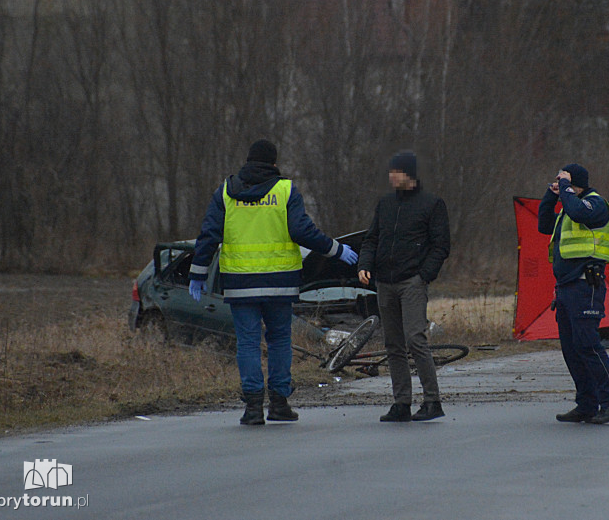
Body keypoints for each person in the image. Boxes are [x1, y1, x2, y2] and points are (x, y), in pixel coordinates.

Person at [189, 139, 358, 426]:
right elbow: (302, 230)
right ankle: (279, 404)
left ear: (247, 161)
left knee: (248, 344)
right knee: (279, 341)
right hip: (280, 282)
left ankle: (253, 408)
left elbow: (209, 234)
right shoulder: (285, 190)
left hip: (240, 283)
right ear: (274, 163)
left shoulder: (226, 192)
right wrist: (335, 249)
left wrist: (197, 273)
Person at [358, 151, 451, 422]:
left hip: (412, 282)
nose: (390, 176)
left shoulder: (432, 204)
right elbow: (371, 238)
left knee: (415, 339)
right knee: (393, 345)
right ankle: (401, 403)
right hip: (384, 282)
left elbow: (441, 245)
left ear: (408, 174)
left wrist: (424, 275)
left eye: (395, 171)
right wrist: (364, 263)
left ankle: (432, 401)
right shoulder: (385, 204)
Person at [537, 163, 609, 425]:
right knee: (571, 348)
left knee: (588, 344)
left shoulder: (596, 204)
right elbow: (543, 224)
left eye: (565, 181)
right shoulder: (566, 208)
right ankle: (586, 404)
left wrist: (565, 188)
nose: (562, 184)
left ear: (578, 183)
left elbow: (576, 212)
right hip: (565, 286)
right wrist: (551, 194)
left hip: (586, 283)